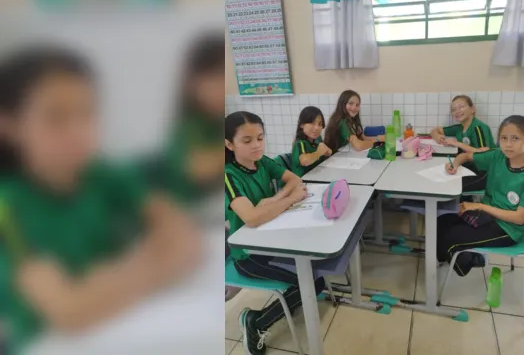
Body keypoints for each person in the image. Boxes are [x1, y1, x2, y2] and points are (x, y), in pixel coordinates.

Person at [0, 46, 201, 354]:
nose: (78, 131)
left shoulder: (102, 174)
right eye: (56, 117)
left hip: (130, 325)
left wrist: (107, 285)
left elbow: (184, 235)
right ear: (10, 125)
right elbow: (69, 311)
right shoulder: (9, 208)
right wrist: (152, 263)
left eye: (87, 113)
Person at [224, 111, 326, 355]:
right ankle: (255, 322)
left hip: (272, 240)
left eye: (260, 138)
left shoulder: (263, 162)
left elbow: (293, 180)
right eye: (247, 141)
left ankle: (289, 301)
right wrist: (290, 200)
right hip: (247, 255)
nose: (257, 145)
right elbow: (251, 217)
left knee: (316, 274)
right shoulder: (228, 175)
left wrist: (274, 199)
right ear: (229, 144)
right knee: (311, 283)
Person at [437, 115, 524, 277]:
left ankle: (464, 262)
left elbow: (519, 218)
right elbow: (465, 156)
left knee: (450, 238)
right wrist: (454, 165)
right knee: (441, 222)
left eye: (515, 138)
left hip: (507, 228)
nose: (508, 144)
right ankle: (458, 257)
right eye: (504, 138)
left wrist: (478, 205)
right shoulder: (497, 156)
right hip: (485, 216)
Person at [142, 32, 225, 203]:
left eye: (223, 78)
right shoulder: (189, 124)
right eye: (213, 79)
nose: (220, 88)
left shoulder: (220, 121)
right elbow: (198, 168)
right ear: (192, 83)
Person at [431, 95, 497, 192]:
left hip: (485, 172)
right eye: (453, 109)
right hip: (469, 166)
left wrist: (458, 143)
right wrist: (437, 136)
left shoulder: (478, 127)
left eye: (461, 107)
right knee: (442, 177)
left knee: (449, 186)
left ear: (472, 109)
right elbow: (435, 130)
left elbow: (484, 153)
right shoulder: (459, 128)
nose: (457, 111)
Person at [290, 106, 332, 177]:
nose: (316, 128)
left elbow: (327, 150)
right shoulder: (300, 143)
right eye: (312, 123)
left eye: (320, 124)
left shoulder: (317, 138)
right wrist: (319, 153)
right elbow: (305, 161)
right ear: (302, 125)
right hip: (303, 183)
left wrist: (327, 151)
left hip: (317, 177)